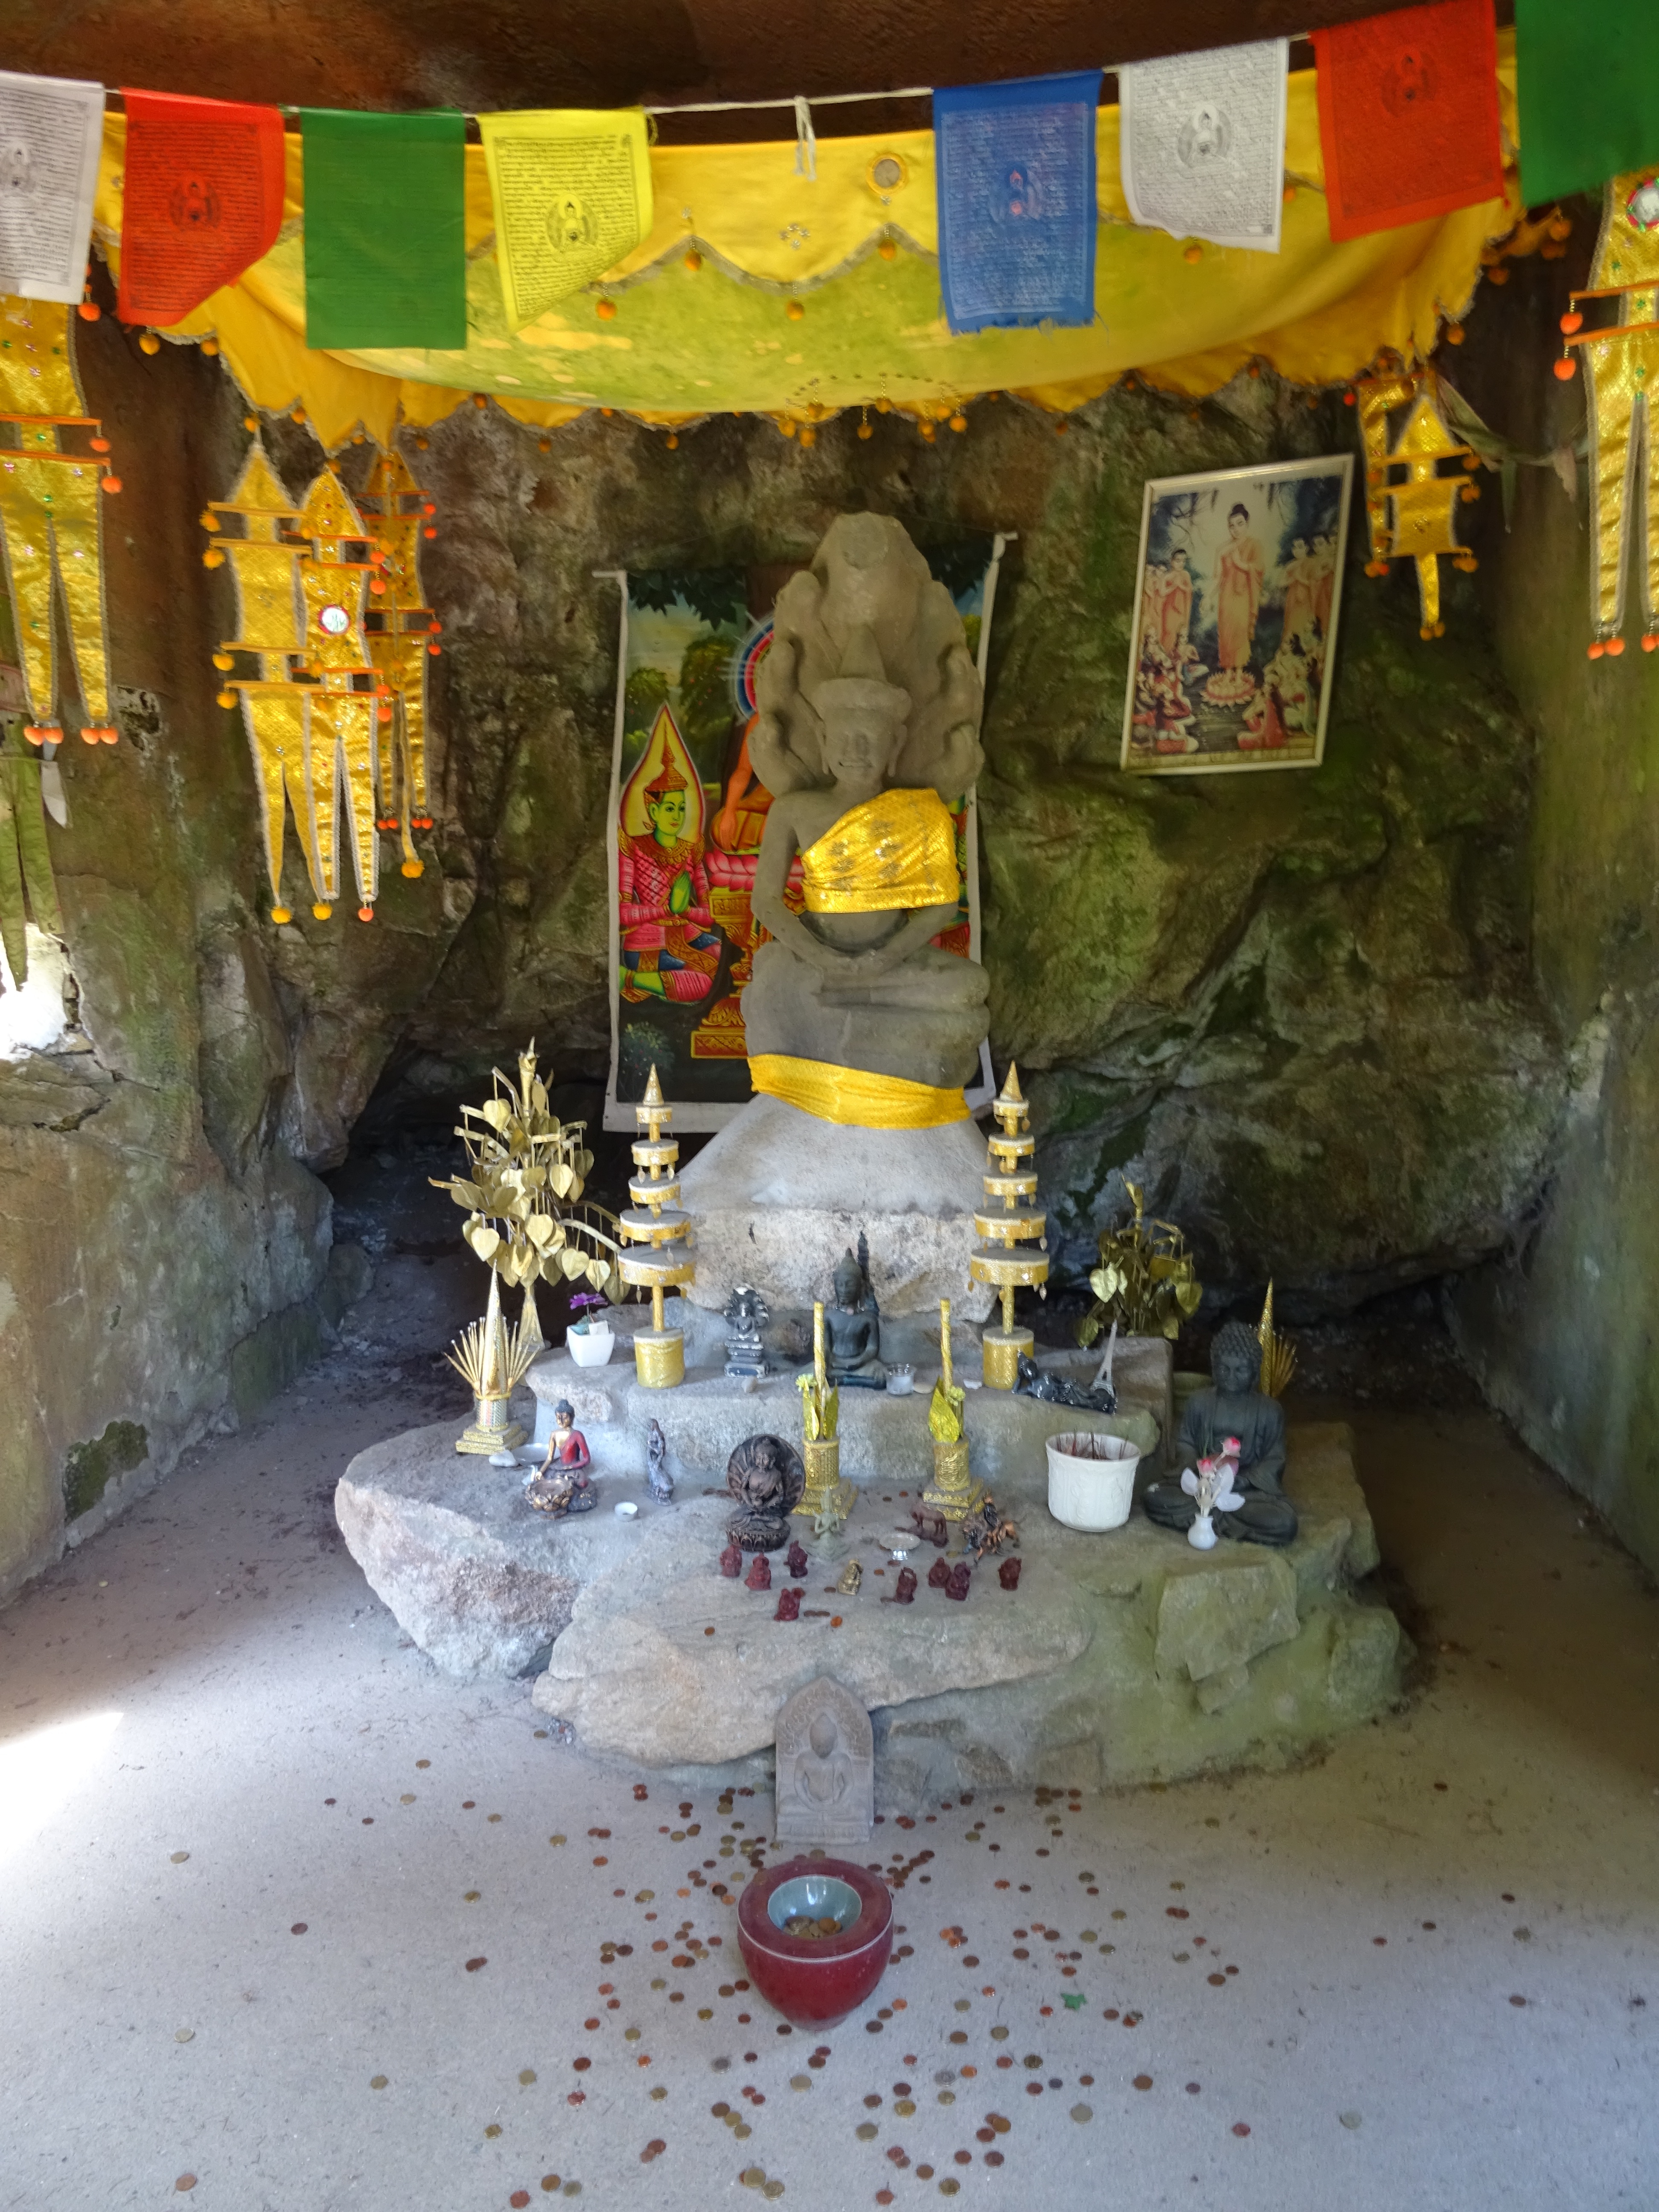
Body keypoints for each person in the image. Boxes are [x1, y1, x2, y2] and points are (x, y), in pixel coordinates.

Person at [1141, 1321, 1296, 1546]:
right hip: (1201, 1486)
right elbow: (1186, 1443)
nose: (1231, 1376)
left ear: (1255, 1371)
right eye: (1224, 1369)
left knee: (1285, 1522)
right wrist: (1201, 1473)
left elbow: (1275, 1458)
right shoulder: (1199, 1402)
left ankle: (1206, 1517)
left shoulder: (1269, 1411)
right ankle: (1220, 1518)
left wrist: (1244, 1481)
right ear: (1214, 1368)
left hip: (1247, 1492)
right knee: (1153, 1496)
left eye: (1240, 1370)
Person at [617, 761, 721, 1003]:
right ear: (654, 812)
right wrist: (664, 910)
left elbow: (709, 915)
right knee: (704, 984)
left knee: (725, 963)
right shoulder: (635, 848)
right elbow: (624, 913)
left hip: (688, 934)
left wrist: (685, 911)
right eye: (670, 808)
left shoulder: (691, 850)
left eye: (682, 809)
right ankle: (630, 978)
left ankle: (658, 984)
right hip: (648, 944)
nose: (677, 816)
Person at [1205, 503, 1266, 706]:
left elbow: (1259, 569)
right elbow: (1217, 577)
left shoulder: (1254, 545)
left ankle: (1239, 674)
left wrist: (1243, 565)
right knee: (1226, 633)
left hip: (1243, 597)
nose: (1236, 529)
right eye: (1232, 526)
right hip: (1226, 597)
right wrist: (1208, 597)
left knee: (1240, 632)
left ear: (1247, 523)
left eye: (1240, 524)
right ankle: (1228, 673)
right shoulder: (1223, 549)